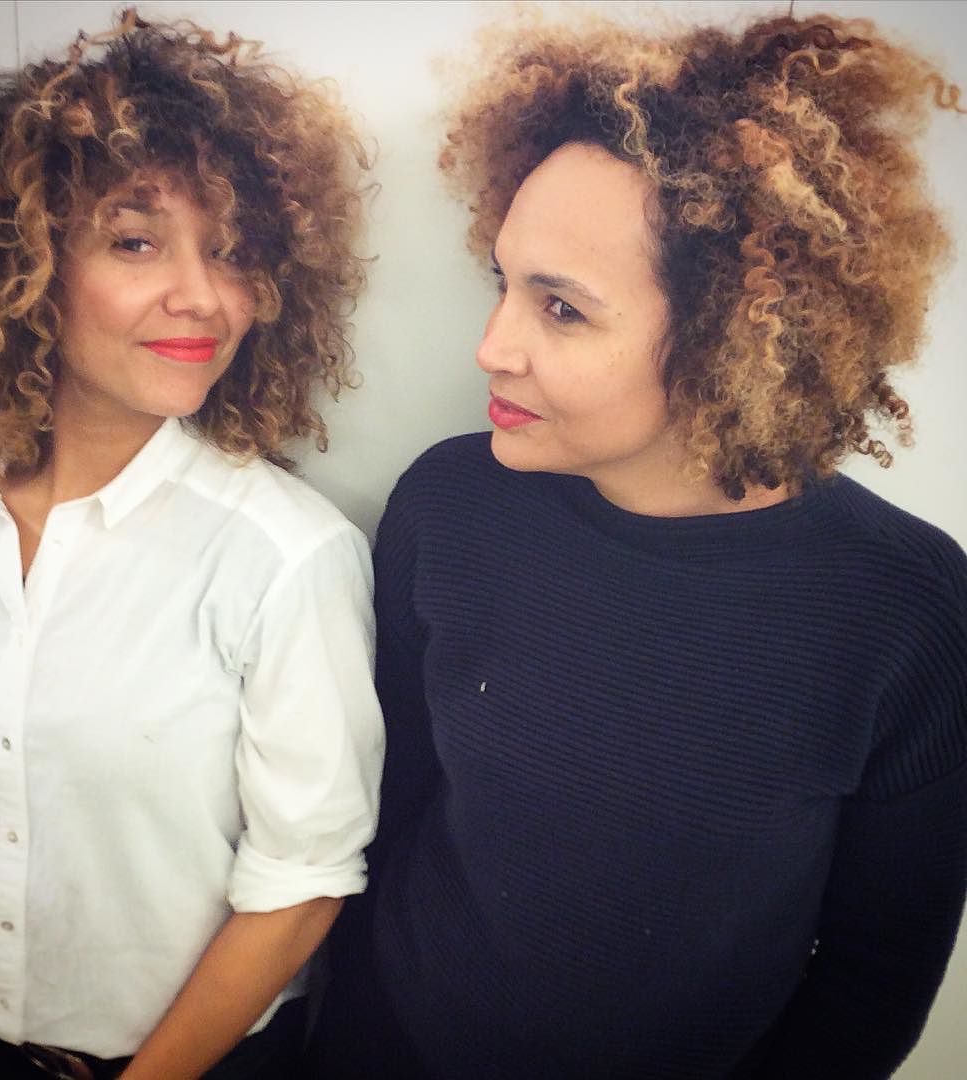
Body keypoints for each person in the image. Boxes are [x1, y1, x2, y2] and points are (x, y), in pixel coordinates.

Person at [310, 9, 967, 1080]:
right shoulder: (451, 507)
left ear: (733, 335)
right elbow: (380, 824)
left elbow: (873, 977)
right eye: (503, 283)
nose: (493, 347)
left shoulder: (904, 609)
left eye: (562, 310)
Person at [0, 11, 382, 1080]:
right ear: (23, 264)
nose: (202, 296)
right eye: (135, 240)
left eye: (231, 251)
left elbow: (303, 882)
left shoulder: (284, 556)